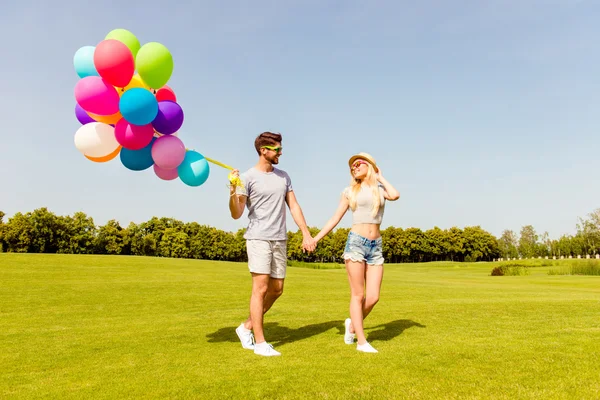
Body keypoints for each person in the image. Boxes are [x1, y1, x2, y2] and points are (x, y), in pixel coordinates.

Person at [229, 131, 316, 357]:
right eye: (277, 149)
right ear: (263, 150)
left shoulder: (284, 177)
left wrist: (306, 234)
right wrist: (232, 192)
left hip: (280, 238)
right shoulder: (246, 178)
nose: (281, 152)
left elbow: (294, 206)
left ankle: (246, 327)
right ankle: (260, 343)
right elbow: (237, 213)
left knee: (277, 289)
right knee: (260, 289)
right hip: (258, 238)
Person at [309, 152, 399, 353]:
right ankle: (361, 342)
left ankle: (351, 326)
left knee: (373, 297)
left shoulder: (380, 189)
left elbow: (395, 195)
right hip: (356, 244)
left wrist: (379, 176)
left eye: (358, 164)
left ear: (369, 165)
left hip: (376, 246)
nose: (354, 167)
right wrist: (315, 238)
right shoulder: (350, 191)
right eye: (352, 166)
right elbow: (335, 218)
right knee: (358, 295)